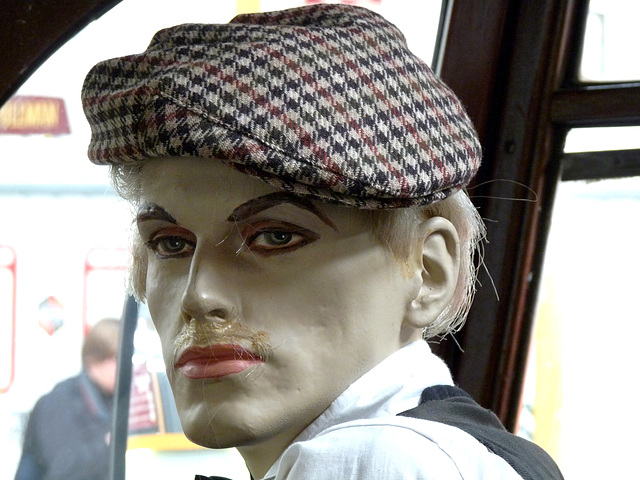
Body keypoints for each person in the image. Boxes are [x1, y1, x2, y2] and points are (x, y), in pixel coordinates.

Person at [81, 4, 563, 479]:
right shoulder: (479, 454)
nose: (199, 296)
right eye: (169, 244)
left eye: (275, 236)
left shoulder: (372, 462)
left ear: (428, 272)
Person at [15, 318, 120, 480]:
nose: (130, 369)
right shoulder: (58, 402)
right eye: (118, 360)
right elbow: (63, 470)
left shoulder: (113, 398)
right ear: (95, 360)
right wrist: (108, 443)